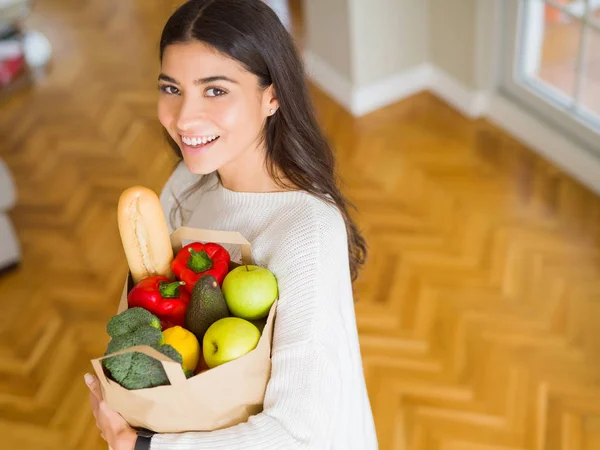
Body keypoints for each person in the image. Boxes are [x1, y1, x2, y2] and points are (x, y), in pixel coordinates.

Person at [84, 0, 378, 448]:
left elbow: (300, 432)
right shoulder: (188, 181)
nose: (183, 118)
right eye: (171, 87)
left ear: (272, 96)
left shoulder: (307, 232)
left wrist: (140, 445)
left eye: (215, 90)